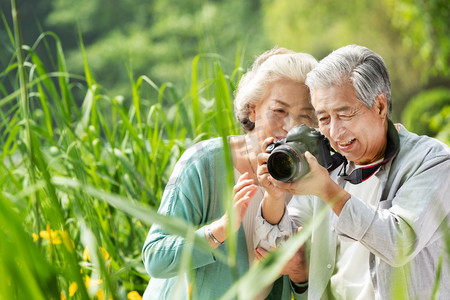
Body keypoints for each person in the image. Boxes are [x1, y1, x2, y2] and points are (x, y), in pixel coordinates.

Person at [255, 44, 450, 299]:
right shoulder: (328, 165)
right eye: (324, 119)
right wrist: (275, 196)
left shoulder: (431, 161)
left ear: (380, 107)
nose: (335, 133)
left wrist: (328, 191)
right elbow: (284, 246)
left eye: (344, 114)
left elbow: (399, 243)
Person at [141, 46, 318, 299]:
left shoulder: (313, 180)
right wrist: (220, 229)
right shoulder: (202, 163)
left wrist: (301, 275)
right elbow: (155, 258)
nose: (290, 125)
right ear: (253, 109)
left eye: (304, 116)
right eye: (279, 111)